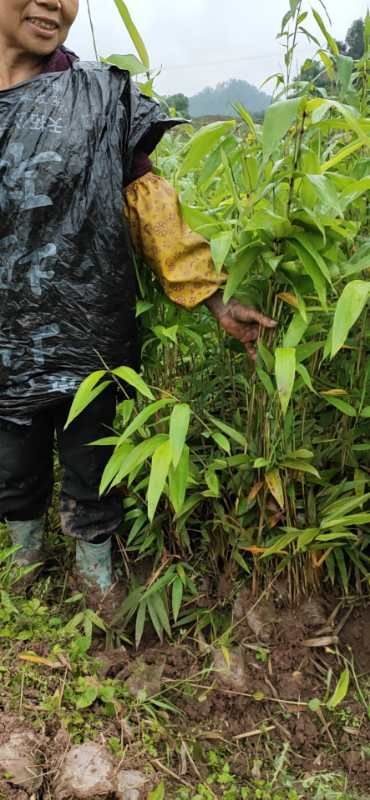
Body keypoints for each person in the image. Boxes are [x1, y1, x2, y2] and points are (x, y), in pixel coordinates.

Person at [0, 0, 276, 619]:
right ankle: (25, 558)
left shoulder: (99, 98)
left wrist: (214, 297)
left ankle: (95, 568)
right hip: (2, 343)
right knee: (11, 461)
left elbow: (150, 206)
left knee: (90, 458)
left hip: (89, 332)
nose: (54, 4)